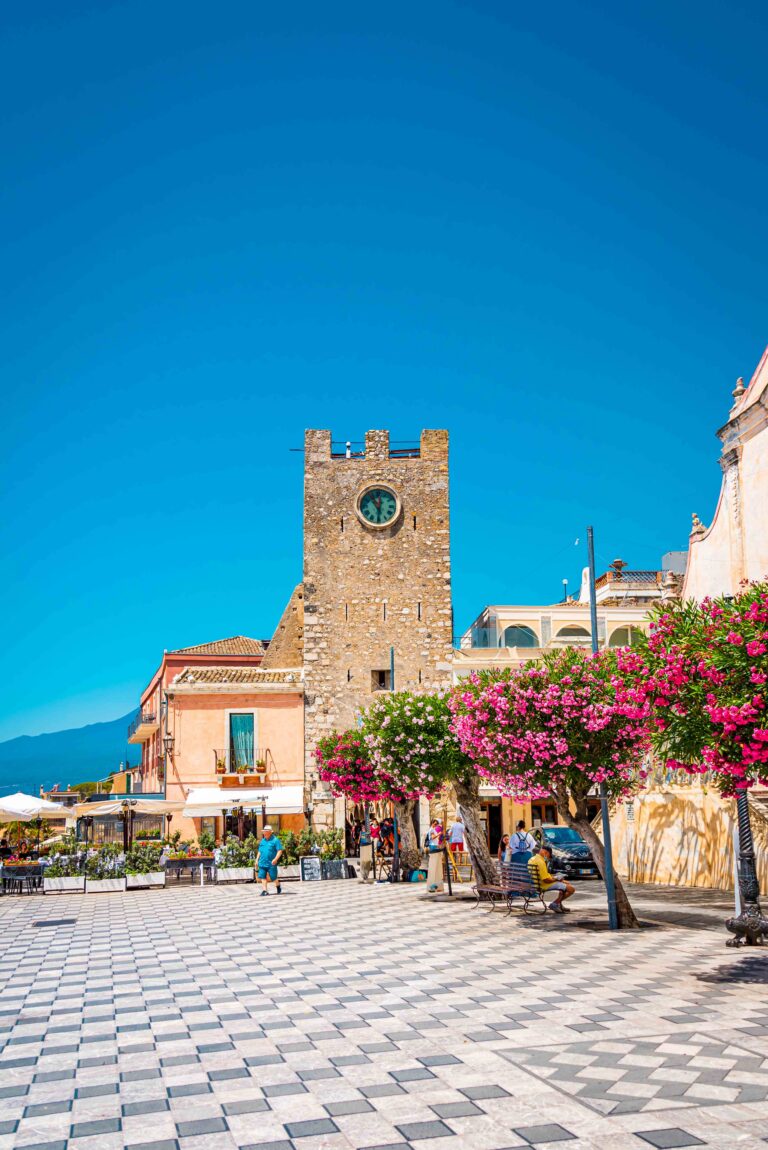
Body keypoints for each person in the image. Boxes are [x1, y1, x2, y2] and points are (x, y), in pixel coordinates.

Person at [528, 844, 574, 914]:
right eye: (548, 855)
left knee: (566, 882)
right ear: (545, 852)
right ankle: (554, 904)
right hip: (543, 885)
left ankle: (558, 904)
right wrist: (557, 879)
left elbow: (543, 875)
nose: (547, 857)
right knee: (571, 889)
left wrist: (555, 877)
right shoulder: (540, 862)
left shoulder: (532, 859)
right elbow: (546, 880)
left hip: (536, 883)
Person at [257, 825, 284, 896]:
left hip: (271, 863)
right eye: (264, 832)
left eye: (265, 832)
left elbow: (279, 851)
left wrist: (275, 859)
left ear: (270, 832)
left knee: (273, 877)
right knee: (262, 876)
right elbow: (259, 851)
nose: (264, 833)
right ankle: (264, 890)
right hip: (262, 862)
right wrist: (257, 860)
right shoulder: (262, 841)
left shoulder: (275, 840)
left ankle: (278, 885)